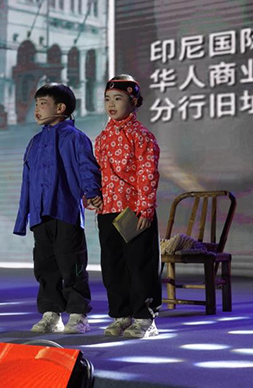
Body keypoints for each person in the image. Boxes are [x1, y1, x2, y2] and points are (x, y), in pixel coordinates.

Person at [14, 83, 103, 334]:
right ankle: (51, 314)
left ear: (61, 108)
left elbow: (87, 167)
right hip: (40, 215)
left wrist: (92, 192)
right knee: (45, 267)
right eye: (36, 104)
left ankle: (78, 314)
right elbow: (26, 181)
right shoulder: (34, 142)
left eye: (43, 104)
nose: (37, 110)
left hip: (66, 212)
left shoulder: (75, 138)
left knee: (72, 265)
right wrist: (23, 218)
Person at [94, 74, 162, 338]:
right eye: (107, 99)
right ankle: (121, 315)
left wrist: (145, 208)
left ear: (134, 101)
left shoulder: (142, 136)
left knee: (140, 265)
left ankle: (145, 318)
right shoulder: (102, 138)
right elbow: (97, 172)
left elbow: (148, 173)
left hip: (133, 210)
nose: (111, 104)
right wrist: (93, 196)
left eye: (118, 98)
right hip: (108, 210)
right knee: (113, 266)